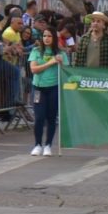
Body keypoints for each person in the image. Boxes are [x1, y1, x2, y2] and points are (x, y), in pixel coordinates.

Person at [28, 27, 68, 156]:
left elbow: (66, 71)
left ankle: (48, 145)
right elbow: (33, 69)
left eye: (49, 36)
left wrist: (61, 63)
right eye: (45, 36)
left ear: (54, 38)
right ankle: (37, 144)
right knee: (39, 117)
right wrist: (50, 63)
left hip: (53, 87)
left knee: (51, 118)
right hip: (39, 88)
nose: (46, 38)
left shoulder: (60, 52)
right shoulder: (36, 51)